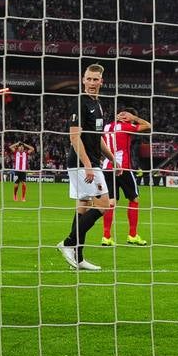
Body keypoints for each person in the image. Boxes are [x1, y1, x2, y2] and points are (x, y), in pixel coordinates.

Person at [58, 64, 111, 271]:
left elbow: (97, 139)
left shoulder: (97, 104)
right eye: (88, 79)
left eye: (95, 79)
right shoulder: (79, 102)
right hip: (83, 163)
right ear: (82, 80)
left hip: (90, 162)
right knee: (104, 205)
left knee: (83, 207)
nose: (91, 83)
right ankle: (69, 243)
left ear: (101, 82)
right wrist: (88, 165)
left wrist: (112, 160)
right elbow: (74, 137)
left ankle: (77, 259)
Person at [100, 108, 151, 246]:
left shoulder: (107, 126)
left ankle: (106, 237)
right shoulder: (126, 126)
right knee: (134, 198)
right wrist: (134, 118)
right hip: (122, 168)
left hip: (107, 167)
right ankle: (132, 235)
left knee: (111, 202)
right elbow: (148, 126)